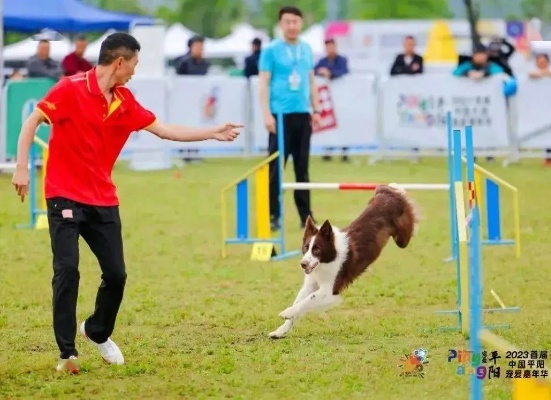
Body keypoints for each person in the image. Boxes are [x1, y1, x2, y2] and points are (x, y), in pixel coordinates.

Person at [11, 32, 242, 374]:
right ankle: (67, 353)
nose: (135, 70)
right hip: (63, 194)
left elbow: (164, 130)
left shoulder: (125, 101)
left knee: (116, 274)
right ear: (120, 62)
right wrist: (21, 168)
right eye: (134, 63)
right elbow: (32, 121)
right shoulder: (70, 89)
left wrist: (211, 132)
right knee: (67, 270)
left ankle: (96, 331)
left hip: (102, 198)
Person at [258, 6, 321, 231]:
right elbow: (263, 82)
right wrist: (266, 114)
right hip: (279, 116)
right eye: (287, 22)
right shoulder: (271, 50)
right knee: (276, 168)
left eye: (295, 21)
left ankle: (306, 216)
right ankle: (273, 214)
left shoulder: (306, 49)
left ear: (301, 24)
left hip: (302, 115)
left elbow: (312, 81)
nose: (292, 26)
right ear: (281, 24)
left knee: (302, 168)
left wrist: (317, 109)